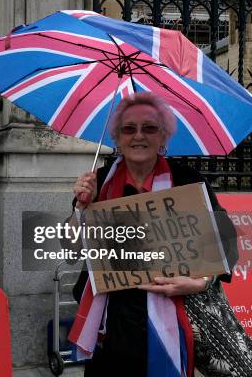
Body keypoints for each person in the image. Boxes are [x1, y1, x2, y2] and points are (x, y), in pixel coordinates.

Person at [70, 92, 238, 376]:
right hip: (112, 324)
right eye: (129, 128)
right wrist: (83, 208)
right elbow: (72, 248)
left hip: (170, 316)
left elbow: (227, 245)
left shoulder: (188, 181)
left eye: (149, 128)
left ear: (164, 138)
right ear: (117, 138)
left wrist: (199, 283)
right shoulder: (99, 180)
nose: (138, 136)